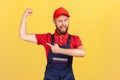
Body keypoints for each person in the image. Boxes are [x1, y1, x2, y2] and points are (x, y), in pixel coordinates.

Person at [20, 7, 85, 80]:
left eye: (65, 20)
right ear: (54, 21)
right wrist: (25, 17)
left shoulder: (74, 39)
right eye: (60, 21)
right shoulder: (47, 38)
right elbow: (23, 36)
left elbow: (82, 53)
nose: (63, 24)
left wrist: (59, 50)